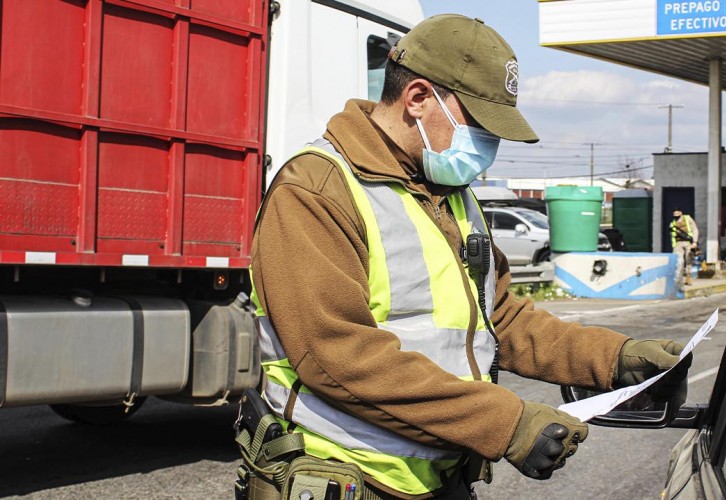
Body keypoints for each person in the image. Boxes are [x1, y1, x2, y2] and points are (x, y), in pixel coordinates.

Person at [245, 14, 692, 499]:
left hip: (441, 475)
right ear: (417, 98)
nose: (489, 146)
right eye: (479, 125)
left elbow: (499, 316)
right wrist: (507, 424)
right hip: (347, 477)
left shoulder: (450, 192)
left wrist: (615, 359)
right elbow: (336, 354)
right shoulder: (317, 190)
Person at [670, 208, 699, 287]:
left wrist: (695, 242)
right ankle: (678, 279)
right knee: (679, 261)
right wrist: (674, 246)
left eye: (677, 214)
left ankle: (688, 278)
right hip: (678, 244)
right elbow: (672, 236)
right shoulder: (672, 223)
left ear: (680, 213)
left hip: (688, 243)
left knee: (689, 259)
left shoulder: (687, 218)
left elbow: (695, 229)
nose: (676, 216)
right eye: (674, 215)